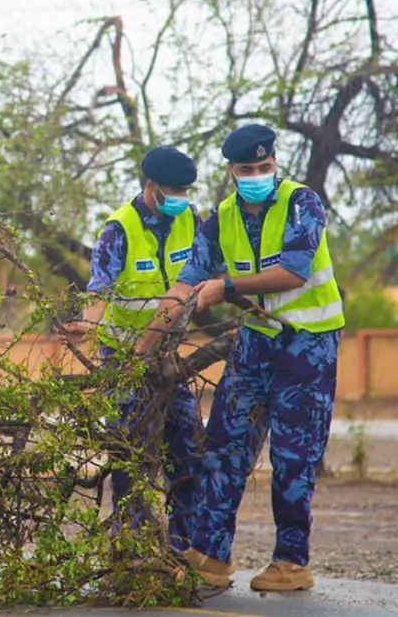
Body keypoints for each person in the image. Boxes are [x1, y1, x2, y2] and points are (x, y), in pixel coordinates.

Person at [135, 124, 344, 592]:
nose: (256, 175)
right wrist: (141, 352)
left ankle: (291, 563)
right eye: (246, 169)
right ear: (230, 171)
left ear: (274, 165)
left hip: (307, 345)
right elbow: (186, 284)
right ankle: (211, 555)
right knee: (223, 446)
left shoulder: (301, 203)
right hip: (256, 343)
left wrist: (226, 287)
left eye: (263, 167)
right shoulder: (222, 217)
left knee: (293, 457)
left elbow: (294, 271)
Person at [60, 145, 204, 557]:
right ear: (150, 186)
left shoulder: (190, 221)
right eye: (172, 191)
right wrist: (88, 324)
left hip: (169, 356)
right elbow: (100, 288)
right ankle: (133, 548)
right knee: (131, 452)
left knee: (188, 448)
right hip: (124, 358)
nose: (179, 198)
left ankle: (183, 547)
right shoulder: (118, 229)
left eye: (185, 191)